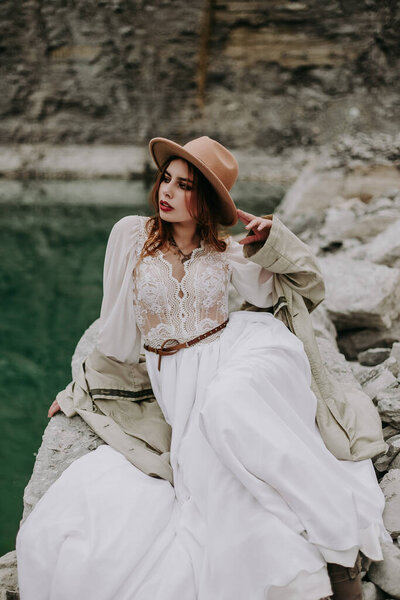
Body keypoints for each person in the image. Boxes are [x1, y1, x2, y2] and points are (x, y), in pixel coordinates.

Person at [17, 136, 389, 600]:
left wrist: (272, 239)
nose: (167, 192)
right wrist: (83, 387)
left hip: (240, 351)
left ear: (207, 199)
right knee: (218, 484)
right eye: (166, 179)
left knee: (227, 402)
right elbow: (114, 328)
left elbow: (306, 288)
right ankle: (328, 545)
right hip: (177, 378)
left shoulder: (228, 251)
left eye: (185, 185)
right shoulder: (132, 235)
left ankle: (340, 553)